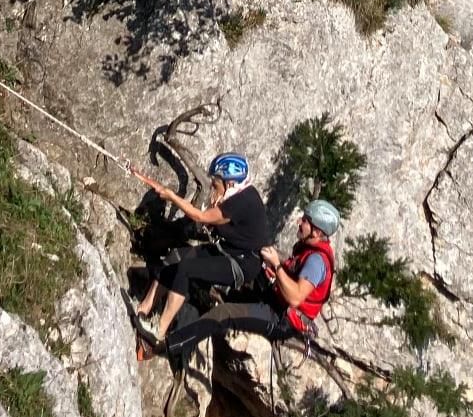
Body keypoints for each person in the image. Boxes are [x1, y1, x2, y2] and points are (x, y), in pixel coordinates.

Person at [160, 198, 340, 362]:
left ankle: (169, 346)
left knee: (223, 314)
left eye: (305, 221)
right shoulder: (308, 249)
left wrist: (277, 267)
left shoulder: (316, 262)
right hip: (276, 300)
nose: (300, 222)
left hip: (281, 318)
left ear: (316, 232)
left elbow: (295, 298)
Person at [132, 153, 273, 350]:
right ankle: (143, 309)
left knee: (185, 270)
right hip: (228, 252)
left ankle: (159, 332)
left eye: (215, 183)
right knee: (175, 258)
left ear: (230, 183)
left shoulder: (241, 201)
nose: (212, 187)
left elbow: (200, 216)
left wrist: (172, 196)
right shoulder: (236, 194)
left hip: (241, 264)